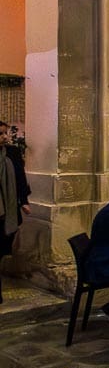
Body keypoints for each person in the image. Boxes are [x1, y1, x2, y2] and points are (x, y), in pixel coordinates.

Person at [0, 121, 32, 302]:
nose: (5, 137)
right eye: (1, 134)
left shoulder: (11, 152)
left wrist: (24, 201)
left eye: (5, 133)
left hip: (8, 210)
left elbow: (20, 177)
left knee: (3, 248)